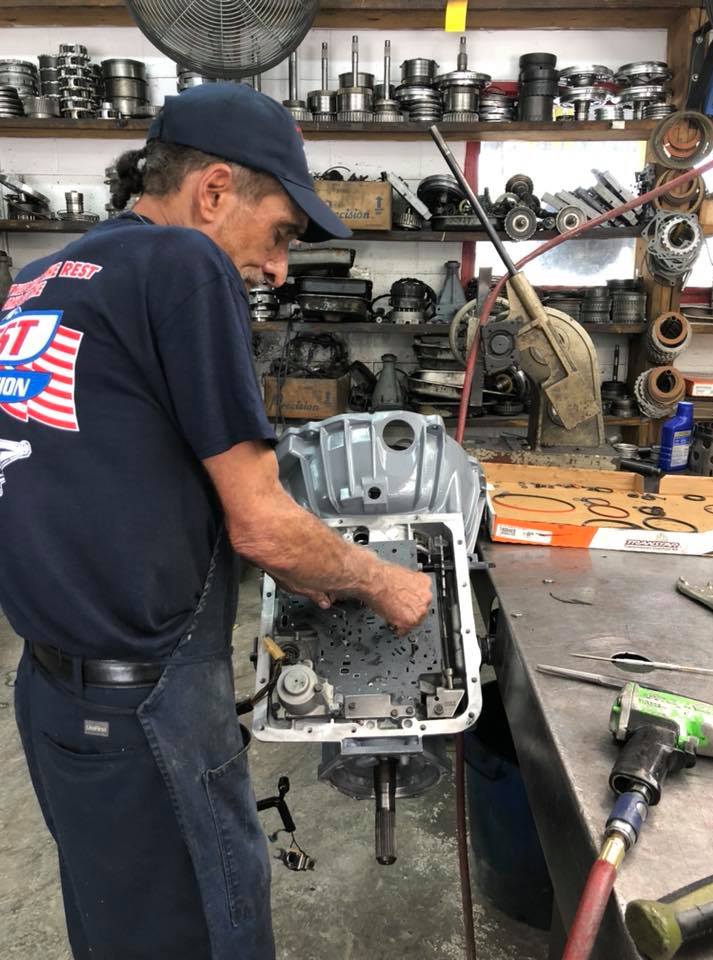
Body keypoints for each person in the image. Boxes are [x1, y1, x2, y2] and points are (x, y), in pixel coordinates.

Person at [0, 84, 432, 960]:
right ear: (214, 191)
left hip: (51, 690)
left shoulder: (44, 277)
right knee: (205, 932)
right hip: (145, 705)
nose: (278, 269)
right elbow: (261, 527)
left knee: (119, 928)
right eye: (280, 233)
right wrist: (383, 581)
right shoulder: (184, 264)